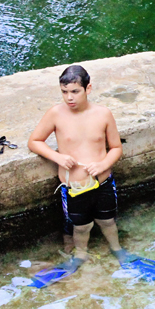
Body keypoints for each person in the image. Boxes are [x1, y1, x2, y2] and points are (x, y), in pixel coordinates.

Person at [27, 65, 132, 278]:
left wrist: (103, 165)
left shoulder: (103, 114)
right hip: (74, 187)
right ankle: (80, 254)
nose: (69, 98)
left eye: (75, 91)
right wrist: (58, 157)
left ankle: (117, 248)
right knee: (81, 226)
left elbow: (116, 148)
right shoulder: (56, 114)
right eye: (64, 92)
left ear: (88, 88)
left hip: (102, 183)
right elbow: (34, 141)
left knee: (107, 221)